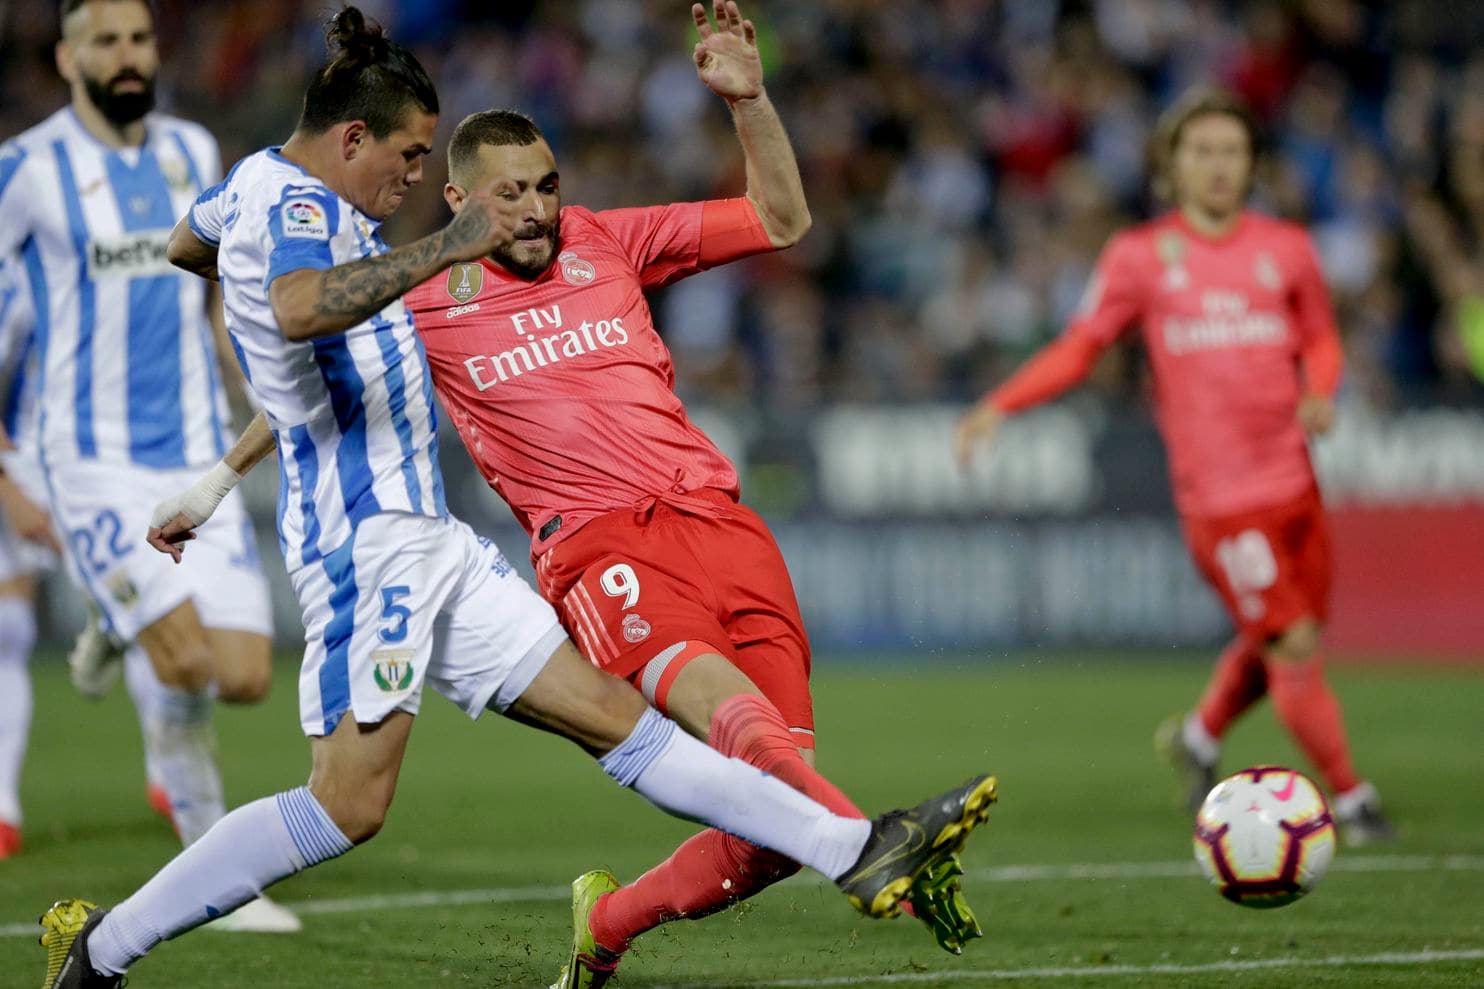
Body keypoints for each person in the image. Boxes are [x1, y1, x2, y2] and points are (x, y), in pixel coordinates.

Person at [36, 9, 998, 986]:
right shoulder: (306, 213)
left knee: (620, 722)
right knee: (346, 805)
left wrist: (215, 463)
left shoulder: (265, 193)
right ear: (353, 138)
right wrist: (442, 247)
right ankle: (103, 947)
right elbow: (292, 308)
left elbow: (188, 244)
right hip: (369, 545)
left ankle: (854, 845)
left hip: (437, 543)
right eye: (408, 156)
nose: (408, 180)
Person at [401, 5, 980, 985]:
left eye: (547, 185)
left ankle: (608, 924)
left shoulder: (607, 239)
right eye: (508, 196)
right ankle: (870, 841)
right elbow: (293, 355)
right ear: (458, 199)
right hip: (599, 548)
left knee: (768, 826)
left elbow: (780, 219)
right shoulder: (420, 304)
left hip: (721, 524)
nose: (538, 209)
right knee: (733, 725)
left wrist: (749, 103)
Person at [955, 87, 1393, 846]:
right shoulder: (1140, 257)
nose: (1218, 166)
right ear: (1172, 165)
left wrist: (1321, 392)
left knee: (1289, 630)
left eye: (1232, 151)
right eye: (1202, 152)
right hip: (1220, 498)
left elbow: (1320, 338)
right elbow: (1081, 346)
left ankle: (1199, 734)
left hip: (1295, 478)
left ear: (1251, 163)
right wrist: (1002, 401)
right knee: (1290, 643)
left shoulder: (1286, 248)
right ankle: (1352, 800)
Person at [0, 0, 297, 928]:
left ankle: (115, 617)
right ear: (67, 56)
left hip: (193, 445)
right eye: (107, 42)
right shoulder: (25, 168)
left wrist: (253, 399)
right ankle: (216, 876)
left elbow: (213, 302)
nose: (129, 57)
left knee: (244, 673)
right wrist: (5, 478)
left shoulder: (193, 154)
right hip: (85, 459)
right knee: (185, 659)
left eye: (140, 40)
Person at [0, 255, 57, 860]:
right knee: (11, 630)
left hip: (91, 457)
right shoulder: (12, 277)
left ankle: (172, 784)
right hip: (24, 464)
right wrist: (8, 485)